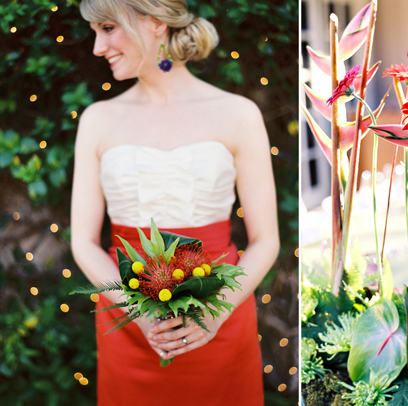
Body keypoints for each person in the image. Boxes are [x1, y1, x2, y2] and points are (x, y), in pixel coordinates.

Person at [70, 0, 279, 404]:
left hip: (221, 315)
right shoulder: (97, 119)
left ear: (154, 22)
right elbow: (82, 241)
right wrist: (140, 312)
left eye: (108, 28)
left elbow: (266, 239)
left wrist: (215, 313)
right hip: (127, 321)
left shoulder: (238, 114)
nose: (98, 47)